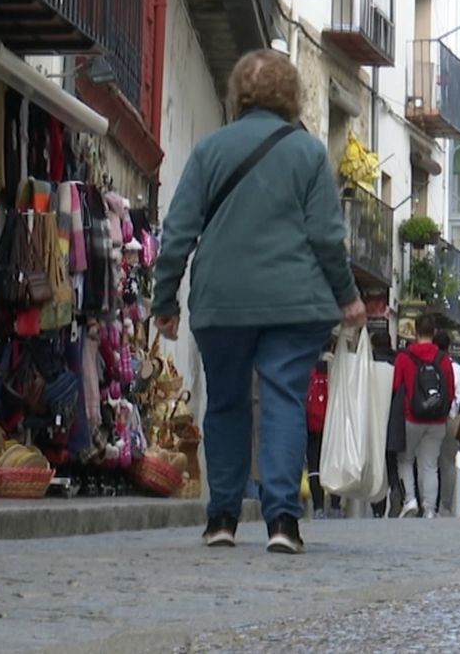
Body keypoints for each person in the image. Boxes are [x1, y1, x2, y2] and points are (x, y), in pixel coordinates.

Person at [152, 50, 366, 555]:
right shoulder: (309, 153)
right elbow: (325, 236)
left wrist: (166, 298)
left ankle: (222, 517)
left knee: (225, 402)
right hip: (295, 303)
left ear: (237, 96)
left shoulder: (209, 150)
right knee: (283, 401)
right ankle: (282, 522)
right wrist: (348, 297)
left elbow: (179, 230)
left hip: (222, 302)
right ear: (291, 95)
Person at [392, 314, 456, 518]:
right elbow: (451, 390)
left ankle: (410, 500)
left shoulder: (404, 357)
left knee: (405, 459)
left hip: (412, 417)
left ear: (415, 331)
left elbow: (395, 386)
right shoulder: (443, 359)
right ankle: (429, 509)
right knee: (429, 464)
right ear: (434, 332)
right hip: (437, 420)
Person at [370, 330, 406, 518]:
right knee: (392, 462)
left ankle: (377, 507)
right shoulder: (399, 360)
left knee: (375, 462)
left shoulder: (370, 361)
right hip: (395, 417)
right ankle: (396, 488)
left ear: (373, 344)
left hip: (374, 417)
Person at [434, 330, 460, 517]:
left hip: (426, 418)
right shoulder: (456, 369)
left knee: (427, 463)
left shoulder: (427, 364)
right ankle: (445, 507)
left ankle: (427, 504)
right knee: (448, 463)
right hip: (449, 418)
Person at [304, 355, 341, 519]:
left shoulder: (309, 367)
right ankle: (335, 505)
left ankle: (318, 507)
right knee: (335, 463)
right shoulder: (338, 367)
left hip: (313, 423)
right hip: (334, 423)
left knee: (314, 466)